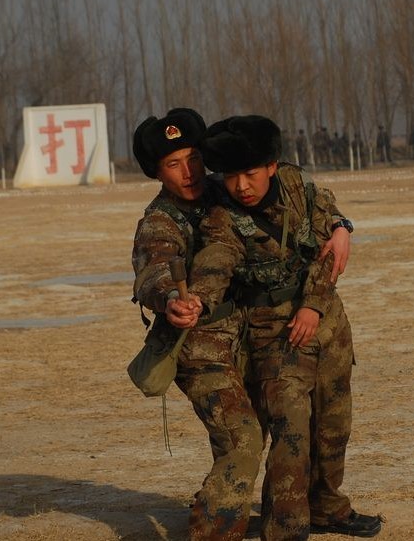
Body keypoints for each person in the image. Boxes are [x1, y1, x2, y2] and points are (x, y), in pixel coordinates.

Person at [189, 115, 382, 540]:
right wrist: (198, 298)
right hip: (272, 332)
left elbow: (330, 239)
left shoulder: (298, 186)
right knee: (292, 428)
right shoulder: (221, 214)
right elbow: (216, 259)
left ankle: (328, 507)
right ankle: (286, 528)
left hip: (327, 321)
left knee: (333, 423)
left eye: (250, 173)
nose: (242, 185)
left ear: (272, 166)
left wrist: (314, 303)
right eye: (232, 175)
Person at [130, 108, 263, 541]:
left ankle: (231, 511)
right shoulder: (159, 221)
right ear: (156, 172)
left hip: (249, 332)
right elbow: (153, 270)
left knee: (251, 433)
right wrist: (172, 299)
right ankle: (213, 531)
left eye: (193, 159)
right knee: (242, 438)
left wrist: (339, 225)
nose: (188, 172)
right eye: (173, 164)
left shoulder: (224, 191)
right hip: (198, 346)